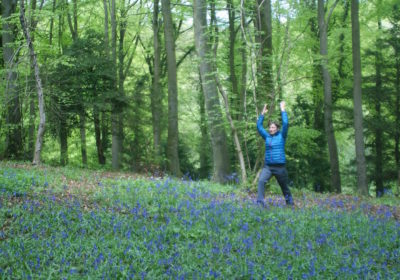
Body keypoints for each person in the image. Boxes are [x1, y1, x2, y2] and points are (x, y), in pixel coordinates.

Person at [256, 101, 294, 206]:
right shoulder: (267, 136)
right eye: (270, 127)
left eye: (273, 127)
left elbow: (286, 124)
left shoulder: (282, 136)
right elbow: (259, 127)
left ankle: (290, 205)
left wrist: (283, 109)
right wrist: (262, 114)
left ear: (277, 128)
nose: (271, 129)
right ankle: (260, 203)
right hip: (268, 166)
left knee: (284, 187)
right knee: (261, 181)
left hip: (280, 167)